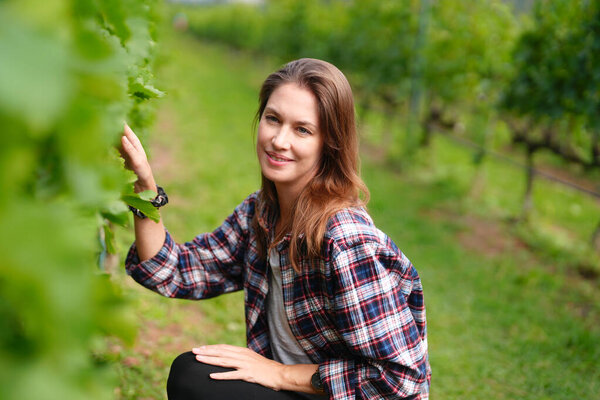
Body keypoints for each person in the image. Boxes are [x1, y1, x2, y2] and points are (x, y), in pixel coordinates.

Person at [120, 58, 431, 400]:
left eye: (302, 130)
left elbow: (400, 381)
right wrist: (144, 187)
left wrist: (281, 373)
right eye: (273, 119)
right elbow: (174, 272)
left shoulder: (345, 239)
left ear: (330, 143)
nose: (279, 141)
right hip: (297, 392)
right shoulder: (262, 215)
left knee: (194, 379)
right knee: (193, 373)